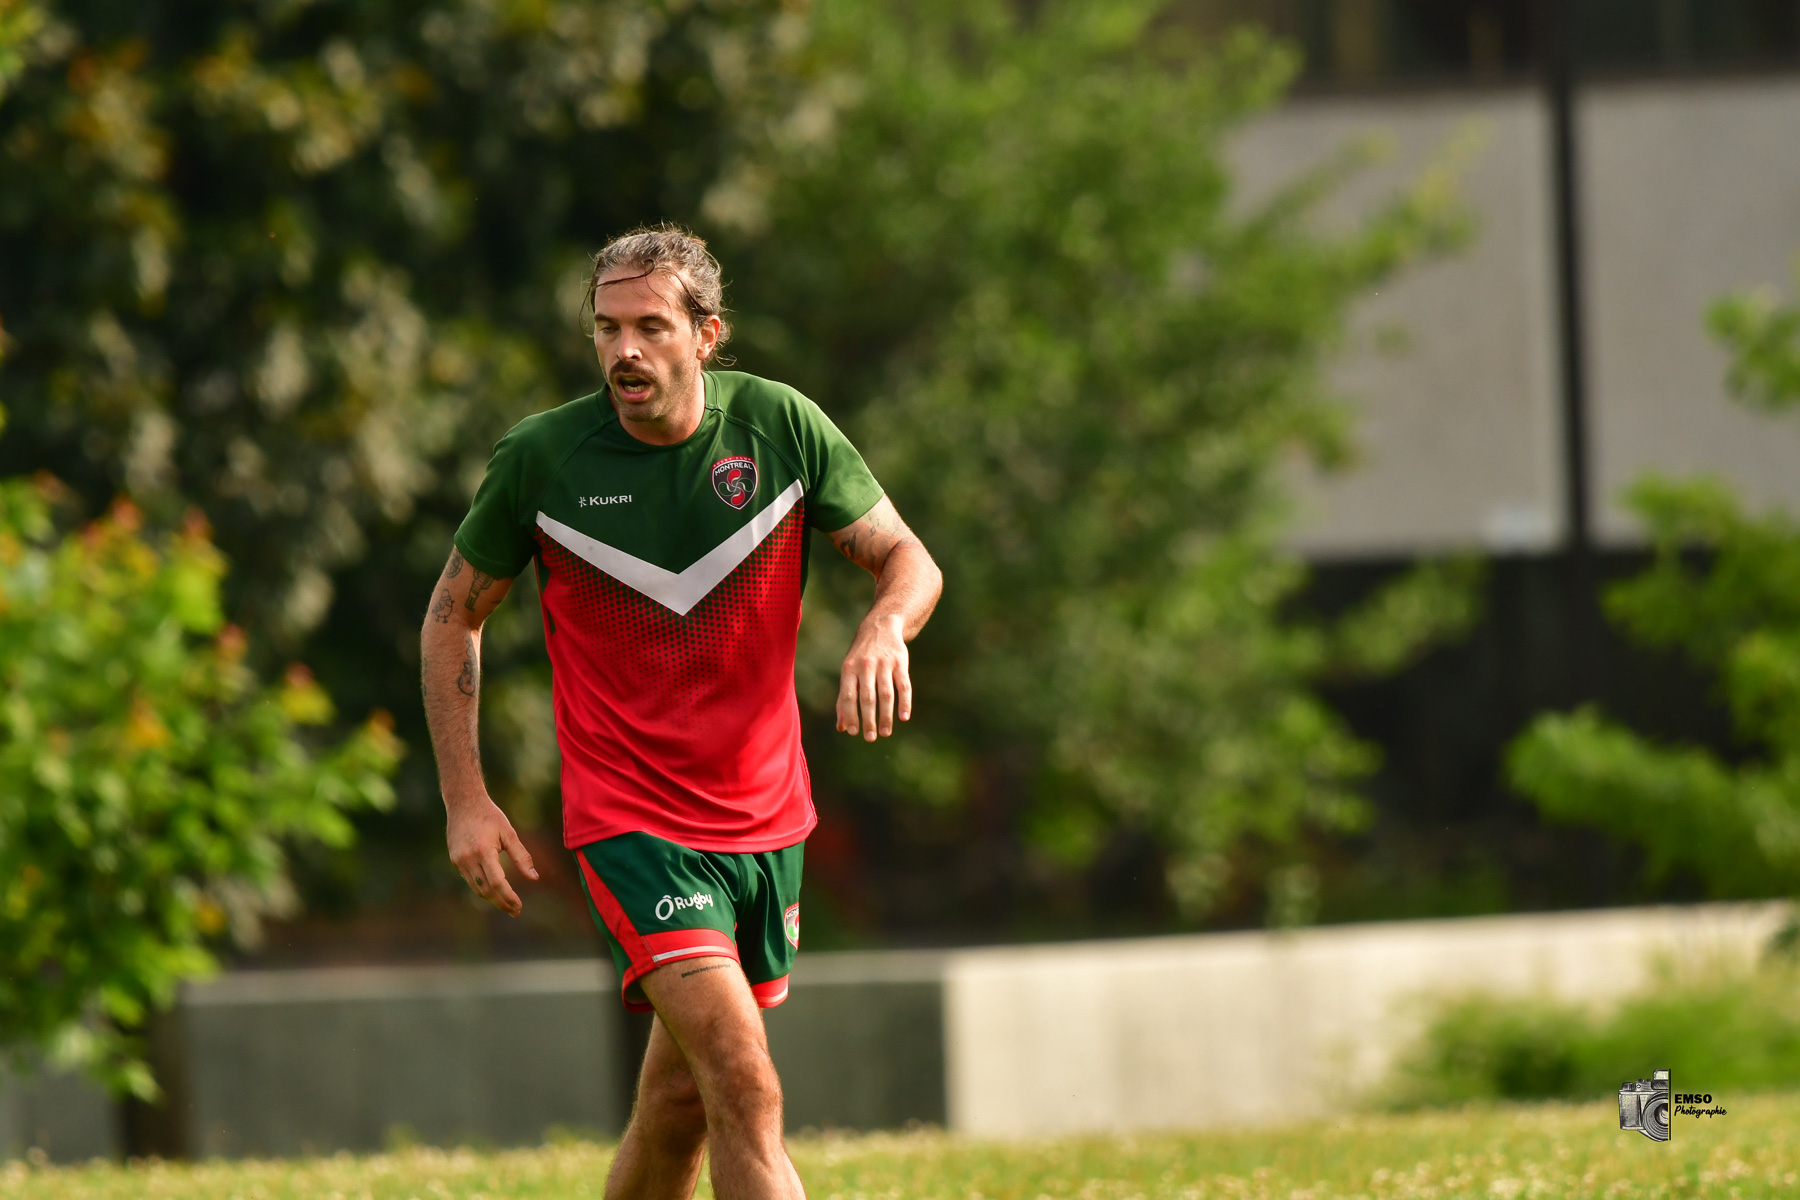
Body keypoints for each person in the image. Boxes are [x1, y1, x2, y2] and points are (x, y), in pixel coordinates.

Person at [419, 224, 942, 1200]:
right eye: (606, 328)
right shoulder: (544, 459)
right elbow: (452, 619)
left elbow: (910, 559)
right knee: (744, 1079)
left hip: (766, 818)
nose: (624, 351)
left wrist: (884, 630)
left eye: (650, 326)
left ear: (706, 335)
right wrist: (466, 798)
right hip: (633, 825)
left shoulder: (780, 428)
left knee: (675, 1113)